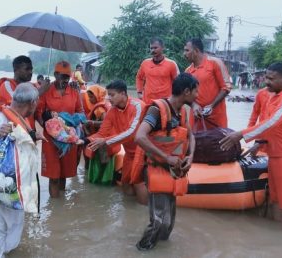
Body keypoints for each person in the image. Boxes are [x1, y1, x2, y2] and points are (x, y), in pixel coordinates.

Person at [220, 63, 282, 232]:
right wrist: (259, 143)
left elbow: (272, 122)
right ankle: (276, 240)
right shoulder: (274, 95)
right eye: (266, 77)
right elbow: (267, 124)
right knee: (275, 199)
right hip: (276, 153)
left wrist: (240, 134)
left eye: (271, 78)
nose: (266, 81)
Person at [0, 82, 41, 257]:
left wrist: (33, 136)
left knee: (10, 236)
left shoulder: (20, 119)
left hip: (12, 191)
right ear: (33, 103)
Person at [133, 73, 197, 251]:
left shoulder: (182, 111)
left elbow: (191, 136)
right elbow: (139, 137)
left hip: (174, 171)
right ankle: (142, 250)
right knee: (159, 221)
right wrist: (166, 157)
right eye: (195, 91)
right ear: (186, 91)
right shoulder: (156, 110)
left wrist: (190, 157)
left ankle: (161, 251)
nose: (197, 95)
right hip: (156, 169)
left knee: (168, 224)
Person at [86, 80, 148, 204]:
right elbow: (102, 133)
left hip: (144, 151)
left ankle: (143, 213)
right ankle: (131, 215)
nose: (109, 98)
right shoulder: (112, 112)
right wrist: (83, 140)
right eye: (108, 95)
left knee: (137, 182)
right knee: (125, 183)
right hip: (129, 153)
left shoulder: (138, 105)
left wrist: (105, 141)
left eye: (112, 95)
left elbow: (132, 133)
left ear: (123, 94)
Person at [37, 61, 84, 198]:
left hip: (69, 136)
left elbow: (81, 112)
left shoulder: (74, 90)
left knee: (64, 174)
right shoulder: (46, 91)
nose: (64, 80)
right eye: (62, 76)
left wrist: (69, 121)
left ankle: (60, 206)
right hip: (50, 139)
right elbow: (38, 114)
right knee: (54, 176)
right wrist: (50, 120)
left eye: (67, 77)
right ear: (55, 74)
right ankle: (55, 211)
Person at [184, 38, 232, 129]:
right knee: (196, 141)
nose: (184, 54)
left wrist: (211, 106)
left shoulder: (215, 63)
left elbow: (226, 87)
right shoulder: (188, 71)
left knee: (219, 141)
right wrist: (194, 104)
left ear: (196, 51)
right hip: (196, 119)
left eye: (187, 50)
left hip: (216, 119)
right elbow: (185, 95)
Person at [136, 37, 180, 104]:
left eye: (155, 48)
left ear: (162, 48)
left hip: (165, 102)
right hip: (148, 101)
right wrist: (139, 92)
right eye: (151, 48)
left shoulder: (171, 64)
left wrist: (174, 96)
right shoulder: (145, 63)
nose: (153, 50)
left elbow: (178, 82)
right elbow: (139, 77)